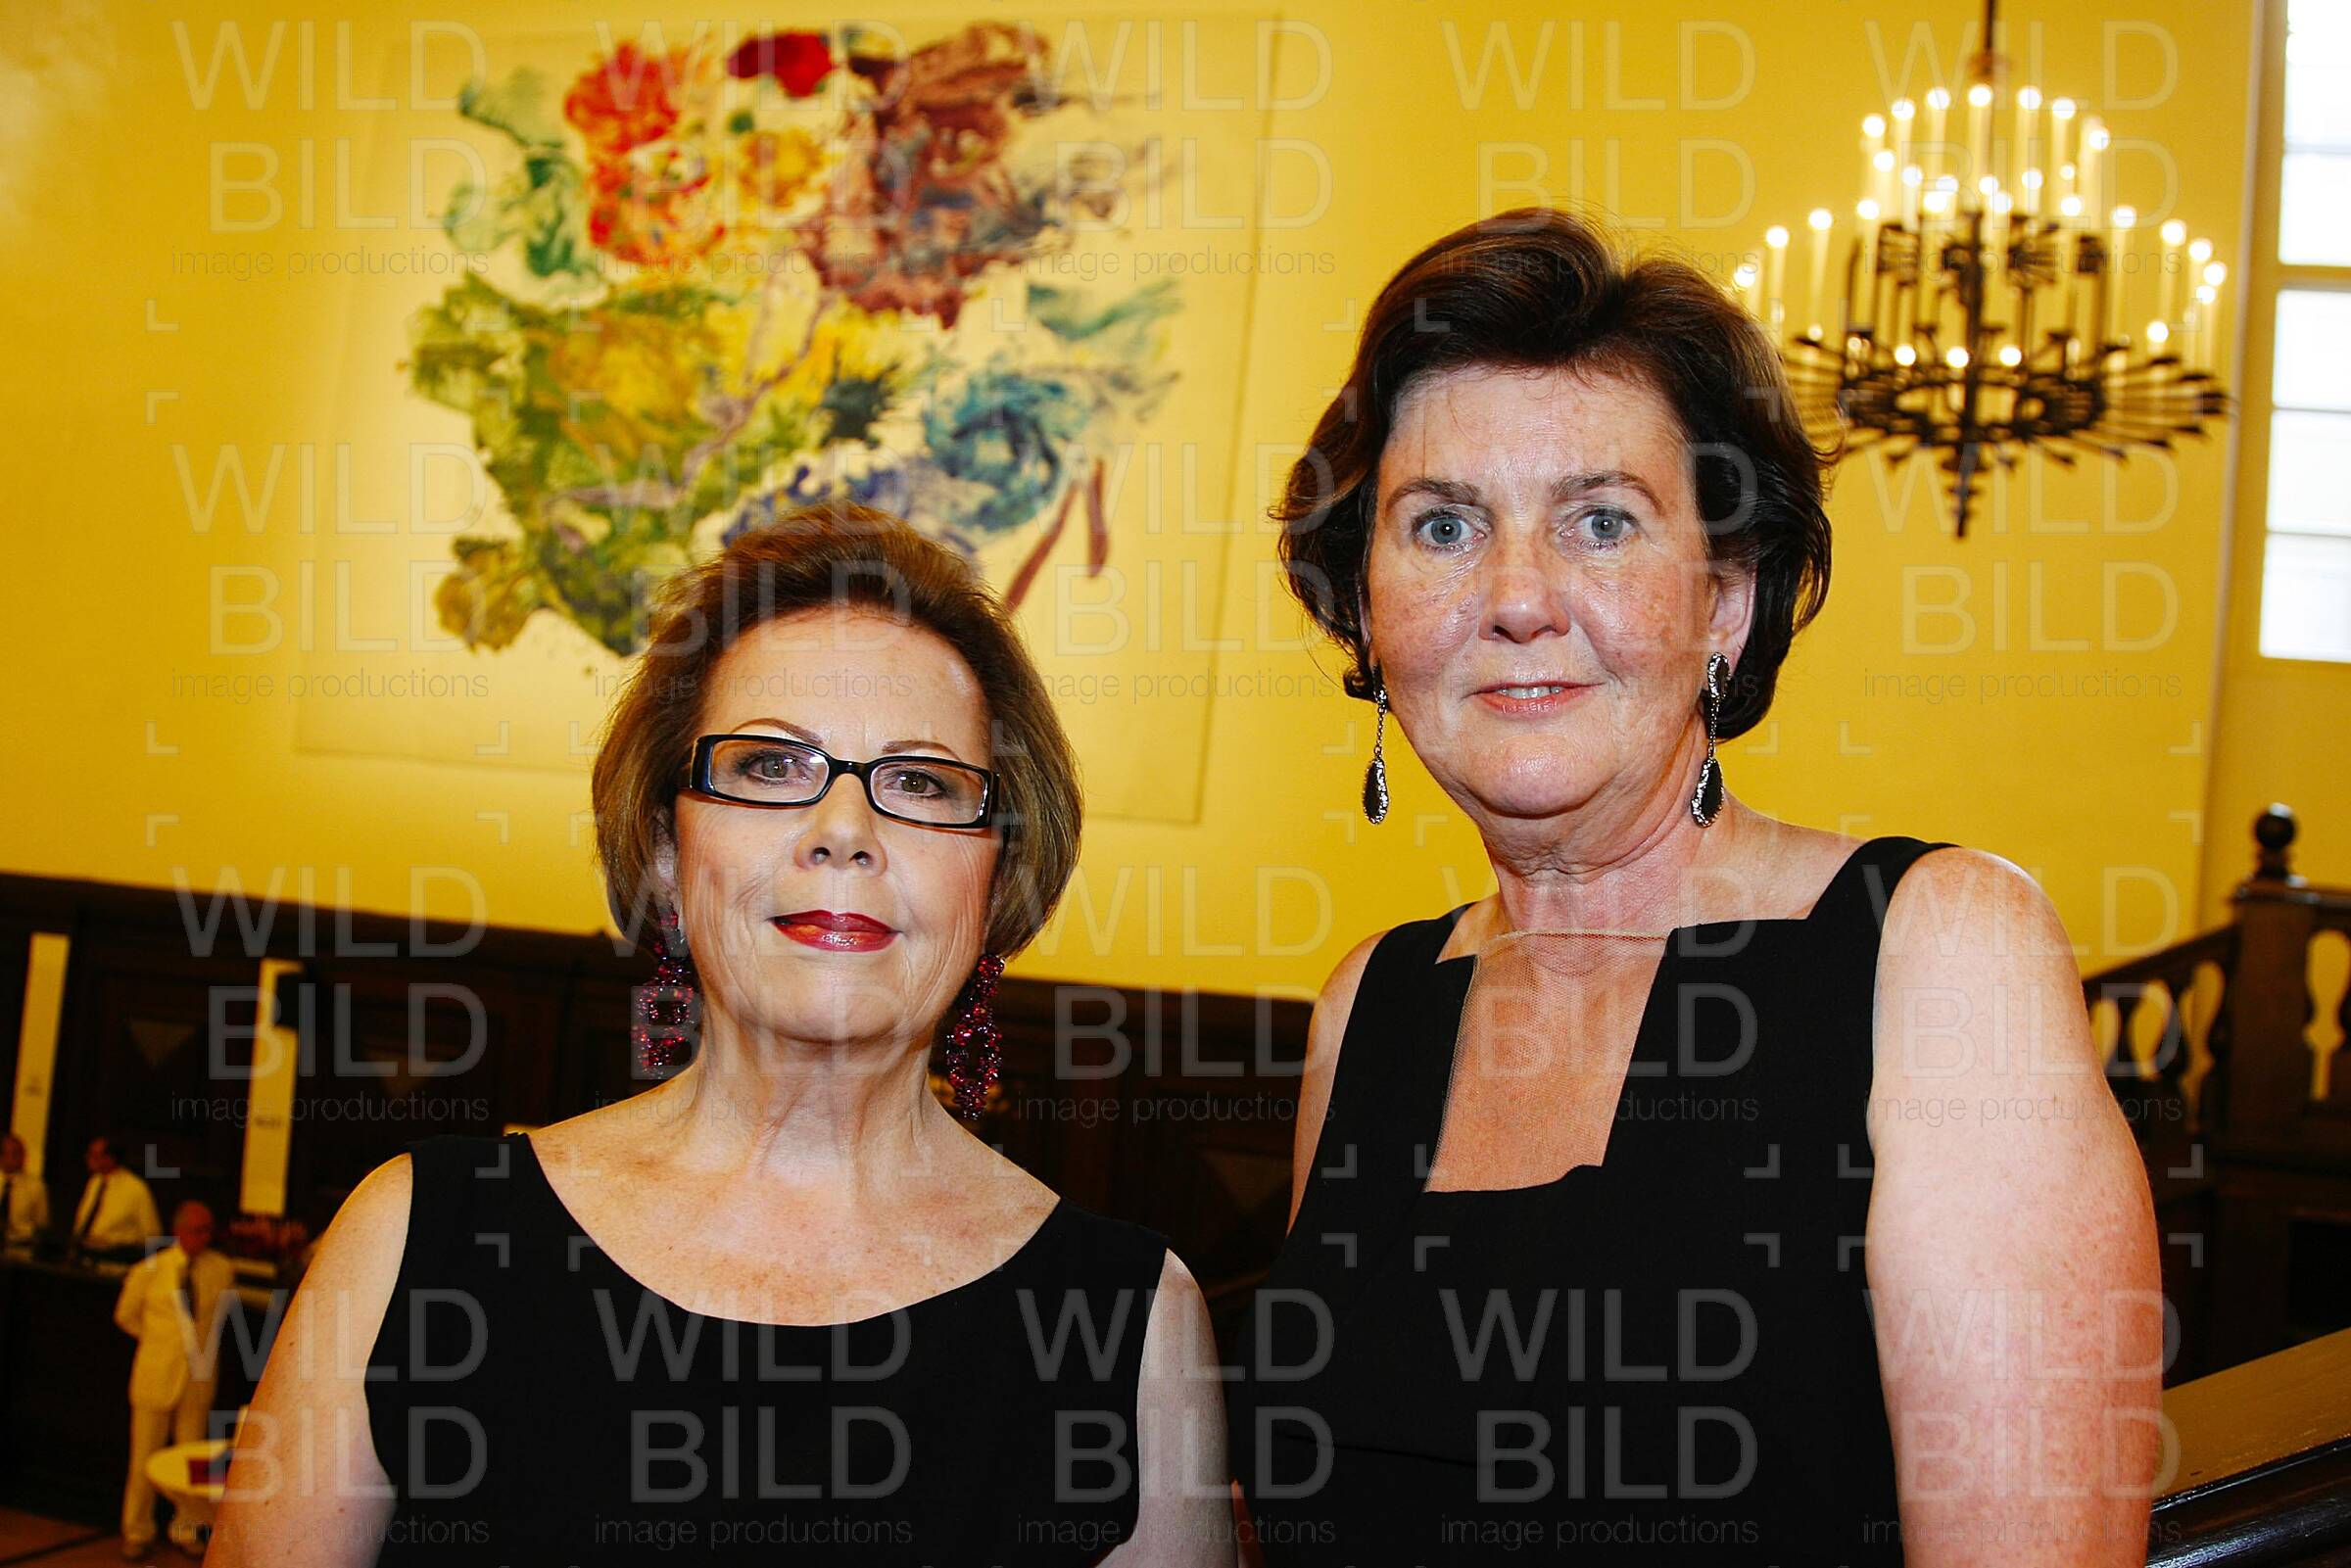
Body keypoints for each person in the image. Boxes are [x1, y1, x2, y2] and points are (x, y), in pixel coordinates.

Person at [1224, 209, 2164, 1565]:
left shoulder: (1937, 952)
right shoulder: (1370, 1005)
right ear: (1367, 606)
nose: (1519, 597)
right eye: (1443, 525)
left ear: (1725, 598)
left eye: (1601, 520)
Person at [209, 504, 1230, 1566]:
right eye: (770, 766)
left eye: (920, 781)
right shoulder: (417, 1239)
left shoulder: (1133, 1322)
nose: (845, 831)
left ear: (997, 870)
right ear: (665, 845)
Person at [116, 1199, 234, 1558]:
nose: (205, 1237)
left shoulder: (221, 1269)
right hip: (156, 1375)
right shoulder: (150, 1270)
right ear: (179, 1231)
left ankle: (185, 1529)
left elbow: (219, 1319)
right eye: (198, 1230)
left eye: (208, 1230)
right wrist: (159, 1343)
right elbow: (126, 1316)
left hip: (197, 1381)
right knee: (143, 1458)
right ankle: (137, 1531)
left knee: (192, 1462)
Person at [72, 1135, 164, 1259]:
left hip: (115, 1258)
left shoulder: (135, 1188)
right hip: (85, 1254)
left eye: (94, 1155)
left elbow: (152, 1234)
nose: (88, 1158)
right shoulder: (95, 1181)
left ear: (110, 1158)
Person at [1, 1132, 50, 1248]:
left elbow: (41, 1223)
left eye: (20, 1154)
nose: (18, 1158)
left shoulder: (35, 1186)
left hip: (19, 1244)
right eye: (13, 1153)